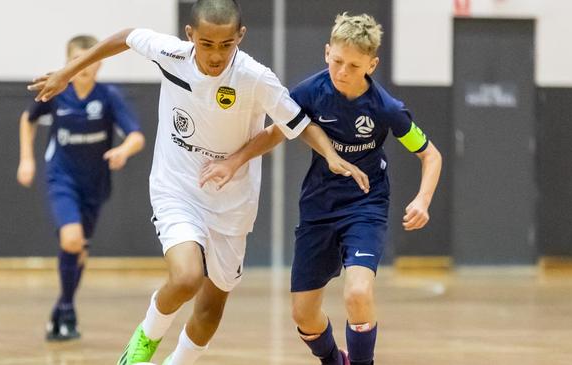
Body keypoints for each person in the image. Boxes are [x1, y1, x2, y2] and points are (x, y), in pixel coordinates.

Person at [28, 1, 367, 364]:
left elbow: (295, 124)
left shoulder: (255, 77)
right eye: (207, 44)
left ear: (240, 37)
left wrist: (330, 155)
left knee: (209, 309)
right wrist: (67, 71)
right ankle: (143, 342)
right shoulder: (171, 53)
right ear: (191, 36)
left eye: (226, 45)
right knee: (187, 276)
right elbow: (126, 37)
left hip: (232, 202)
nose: (216, 54)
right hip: (177, 188)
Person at [201, 12, 443, 365]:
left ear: (372, 65)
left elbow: (430, 155)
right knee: (303, 315)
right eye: (338, 61)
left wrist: (422, 200)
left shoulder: (386, 108)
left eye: (354, 66)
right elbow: (275, 132)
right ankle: (334, 360)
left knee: (358, 294)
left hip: (365, 205)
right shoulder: (310, 92)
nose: (343, 72)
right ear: (327, 52)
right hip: (318, 208)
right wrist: (233, 161)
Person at [17, 35, 145, 341]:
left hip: (95, 183)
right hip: (62, 178)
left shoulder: (109, 96)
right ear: (68, 63)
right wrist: (26, 159)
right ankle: (65, 306)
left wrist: (124, 151)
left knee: (80, 250)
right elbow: (28, 118)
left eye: (89, 59)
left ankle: (65, 308)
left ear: (99, 62)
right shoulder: (58, 92)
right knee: (72, 240)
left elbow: (136, 135)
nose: (83, 66)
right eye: (76, 60)